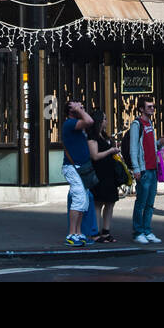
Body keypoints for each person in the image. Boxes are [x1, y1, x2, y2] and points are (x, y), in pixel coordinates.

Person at [128, 96, 161, 245]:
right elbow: (134, 147)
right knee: (141, 202)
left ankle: (147, 230)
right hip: (143, 169)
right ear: (141, 109)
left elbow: (150, 145)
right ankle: (138, 231)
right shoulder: (137, 124)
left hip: (152, 168)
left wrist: (158, 145)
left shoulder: (150, 123)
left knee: (150, 203)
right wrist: (136, 168)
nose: (152, 109)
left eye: (153, 106)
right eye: (149, 107)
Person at [61, 100, 94, 247]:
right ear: (70, 110)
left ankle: (79, 233)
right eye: (75, 105)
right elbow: (89, 120)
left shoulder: (76, 124)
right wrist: (79, 109)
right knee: (79, 199)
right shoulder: (69, 123)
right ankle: (71, 233)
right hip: (73, 167)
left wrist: (79, 109)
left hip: (81, 167)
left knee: (84, 201)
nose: (80, 106)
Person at [87, 110, 122, 243]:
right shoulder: (92, 137)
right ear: (98, 121)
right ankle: (95, 231)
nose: (106, 121)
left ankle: (106, 231)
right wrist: (110, 151)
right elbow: (95, 156)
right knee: (99, 203)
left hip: (109, 172)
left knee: (110, 202)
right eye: (104, 119)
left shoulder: (104, 136)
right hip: (99, 173)